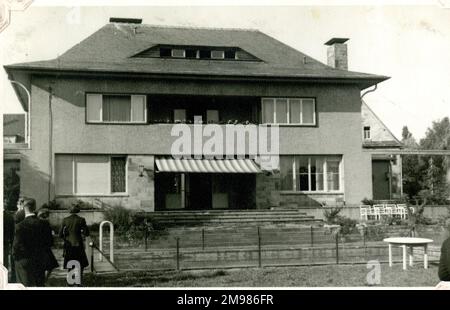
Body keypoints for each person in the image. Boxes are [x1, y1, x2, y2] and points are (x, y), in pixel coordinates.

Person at [13, 198, 52, 287]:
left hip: (24, 260)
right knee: (39, 285)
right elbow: (49, 243)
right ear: (34, 207)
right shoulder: (44, 224)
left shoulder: (19, 226)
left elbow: (16, 246)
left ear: (23, 208)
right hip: (40, 259)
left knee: (24, 286)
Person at [59, 204, 90, 285]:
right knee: (80, 263)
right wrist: (82, 231)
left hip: (69, 245)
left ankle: (70, 281)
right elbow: (87, 233)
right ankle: (78, 281)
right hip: (78, 244)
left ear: (69, 210)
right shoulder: (81, 219)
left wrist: (66, 235)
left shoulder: (65, 220)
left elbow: (60, 235)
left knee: (70, 262)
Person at [37, 208, 59, 281]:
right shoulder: (45, 223)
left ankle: (41, 280)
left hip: (38, 247)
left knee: (42, 265)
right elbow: (49, 237)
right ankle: (44, 280)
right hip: (45, 247)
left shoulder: (36, 222)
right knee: (49, 265)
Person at [3, 206, 15, 281]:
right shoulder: (9, 217)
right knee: (4, 263)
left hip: (5, 243)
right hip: (6, 243)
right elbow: (12, 233)